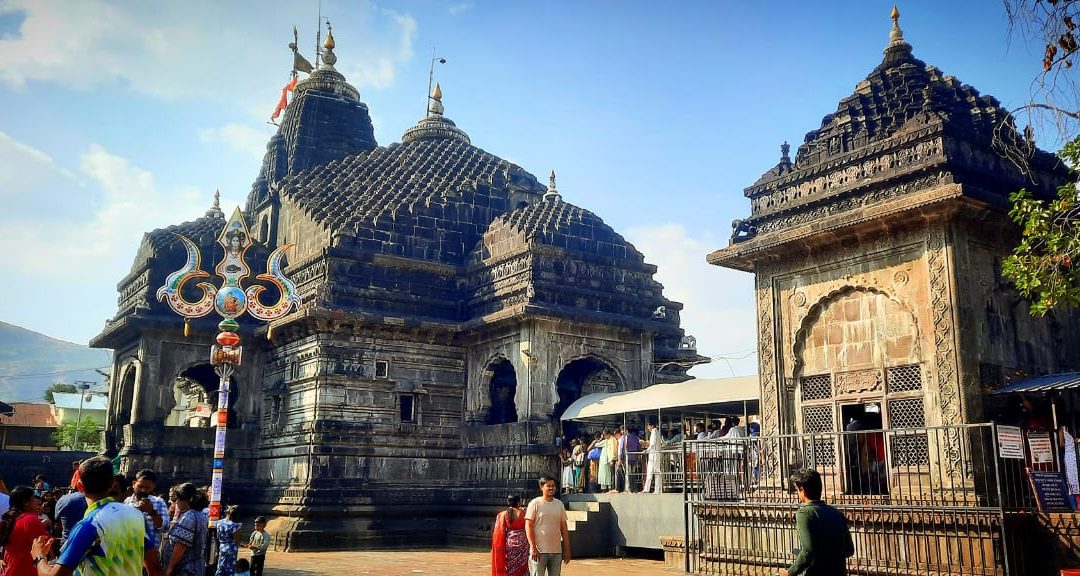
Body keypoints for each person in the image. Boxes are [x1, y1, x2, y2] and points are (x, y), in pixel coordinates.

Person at [29, 455, 161, 576]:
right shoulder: (135, 515)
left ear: (79, 486)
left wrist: (39, 556)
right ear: (111, 483)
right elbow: (154, 568)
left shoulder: (90, 524)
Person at [779, 469, 854, 576]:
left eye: (797, 490)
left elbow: (808, 551)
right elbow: (849, 549)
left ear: (802, 490)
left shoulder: (804, 514)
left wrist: (790, 572)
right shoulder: (837, 514)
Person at [524, 476, 570, 576]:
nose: (551, 488)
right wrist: (533, 547)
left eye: (553, 486)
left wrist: (567, 550)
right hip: (539, 551)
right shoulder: (535, 503)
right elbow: (528, 526)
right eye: (548, 486)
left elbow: (564, 529)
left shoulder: (559, 504)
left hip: (556, 552)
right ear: (541, 487)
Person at [0, 486, 48, 576]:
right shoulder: (30, 519)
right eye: (33, 499)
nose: (36, 502)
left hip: (8, 570)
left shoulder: (9, 520)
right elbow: (46, 544)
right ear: (26, 502)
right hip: (25, 570)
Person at [162, 483, 207, 576]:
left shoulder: (189, 517)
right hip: (196, 567)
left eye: (178, 499)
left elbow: (181, 546)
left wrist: (169, 568)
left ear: (187, 500)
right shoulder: (200, 515)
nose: (176, 502)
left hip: (186, 569)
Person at [124, 469, 170, 552]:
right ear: (134, 484)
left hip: (150, 554)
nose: (143, 490)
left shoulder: (158, 502)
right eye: (140, 486)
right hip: (127, 552)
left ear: (153, 487)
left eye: (147, 488)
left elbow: (165, 527)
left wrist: (152, 512)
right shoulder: (125, 502)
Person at [491, 495, 528, 576]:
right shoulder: (524, 513)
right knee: (522, 565)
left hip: (510, 543)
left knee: (510, 565)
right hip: (523, 543)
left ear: (508, 502)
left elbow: (499, 531)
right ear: (519, 502)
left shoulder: (503, 514)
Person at [215, 506, 240, 576]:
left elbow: (217, 536)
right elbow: (236, 539)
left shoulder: (219, 522)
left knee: (220, 566)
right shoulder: (233, 525)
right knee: (230, 569)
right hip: (231, 547)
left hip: (222, 546)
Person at [642, 419, 664, 494]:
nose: (647, 428)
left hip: (654, 453)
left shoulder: (654, 431)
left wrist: (647, 450)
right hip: (655, 453)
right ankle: (657, 489)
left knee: (651, 471)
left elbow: (653, 444)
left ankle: (649, 489)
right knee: (656, 471)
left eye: (648, 426)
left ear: (652, 426)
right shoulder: (656, 432)